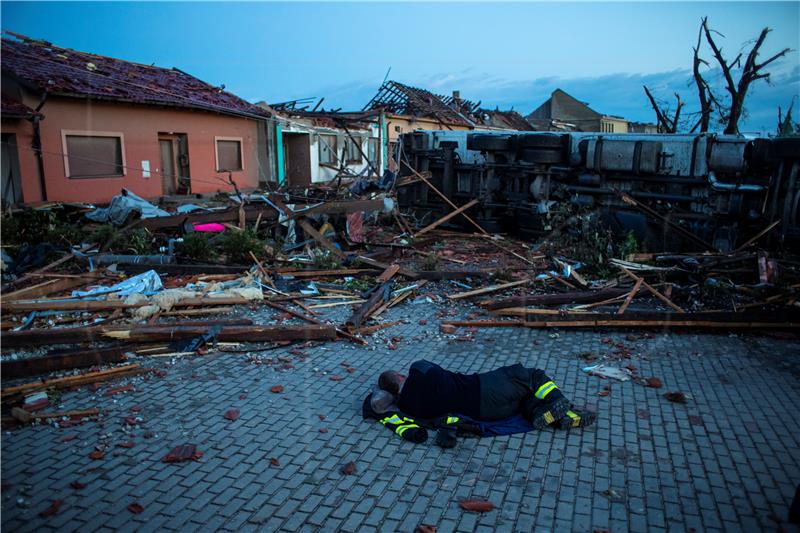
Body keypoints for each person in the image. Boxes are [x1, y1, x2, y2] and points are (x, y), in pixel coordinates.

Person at [370, 359, 594, 433]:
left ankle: (559, 417)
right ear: (400, 376)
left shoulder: (409, 408)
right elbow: (434, 367)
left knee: (523, 396)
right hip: (483, 387)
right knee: (529, 376)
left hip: (486, 415)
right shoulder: (417, 370)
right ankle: (556, 400)